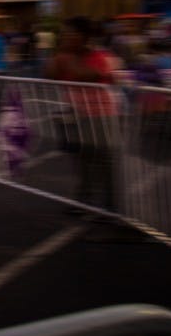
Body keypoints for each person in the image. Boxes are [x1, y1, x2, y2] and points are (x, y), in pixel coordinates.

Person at [46, 16, 118, 212]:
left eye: (70, 33)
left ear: (83, 36)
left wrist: (66, 56)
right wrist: (60, 54)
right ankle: (84, 201)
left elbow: (84, 75)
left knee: (104, 165)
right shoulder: (64, 56)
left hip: (100, 116)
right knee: (82, 160)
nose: (65, 37)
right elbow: (49, 75)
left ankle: (113, 210)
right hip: (77, 114)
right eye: (64, 34)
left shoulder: (98, 56)